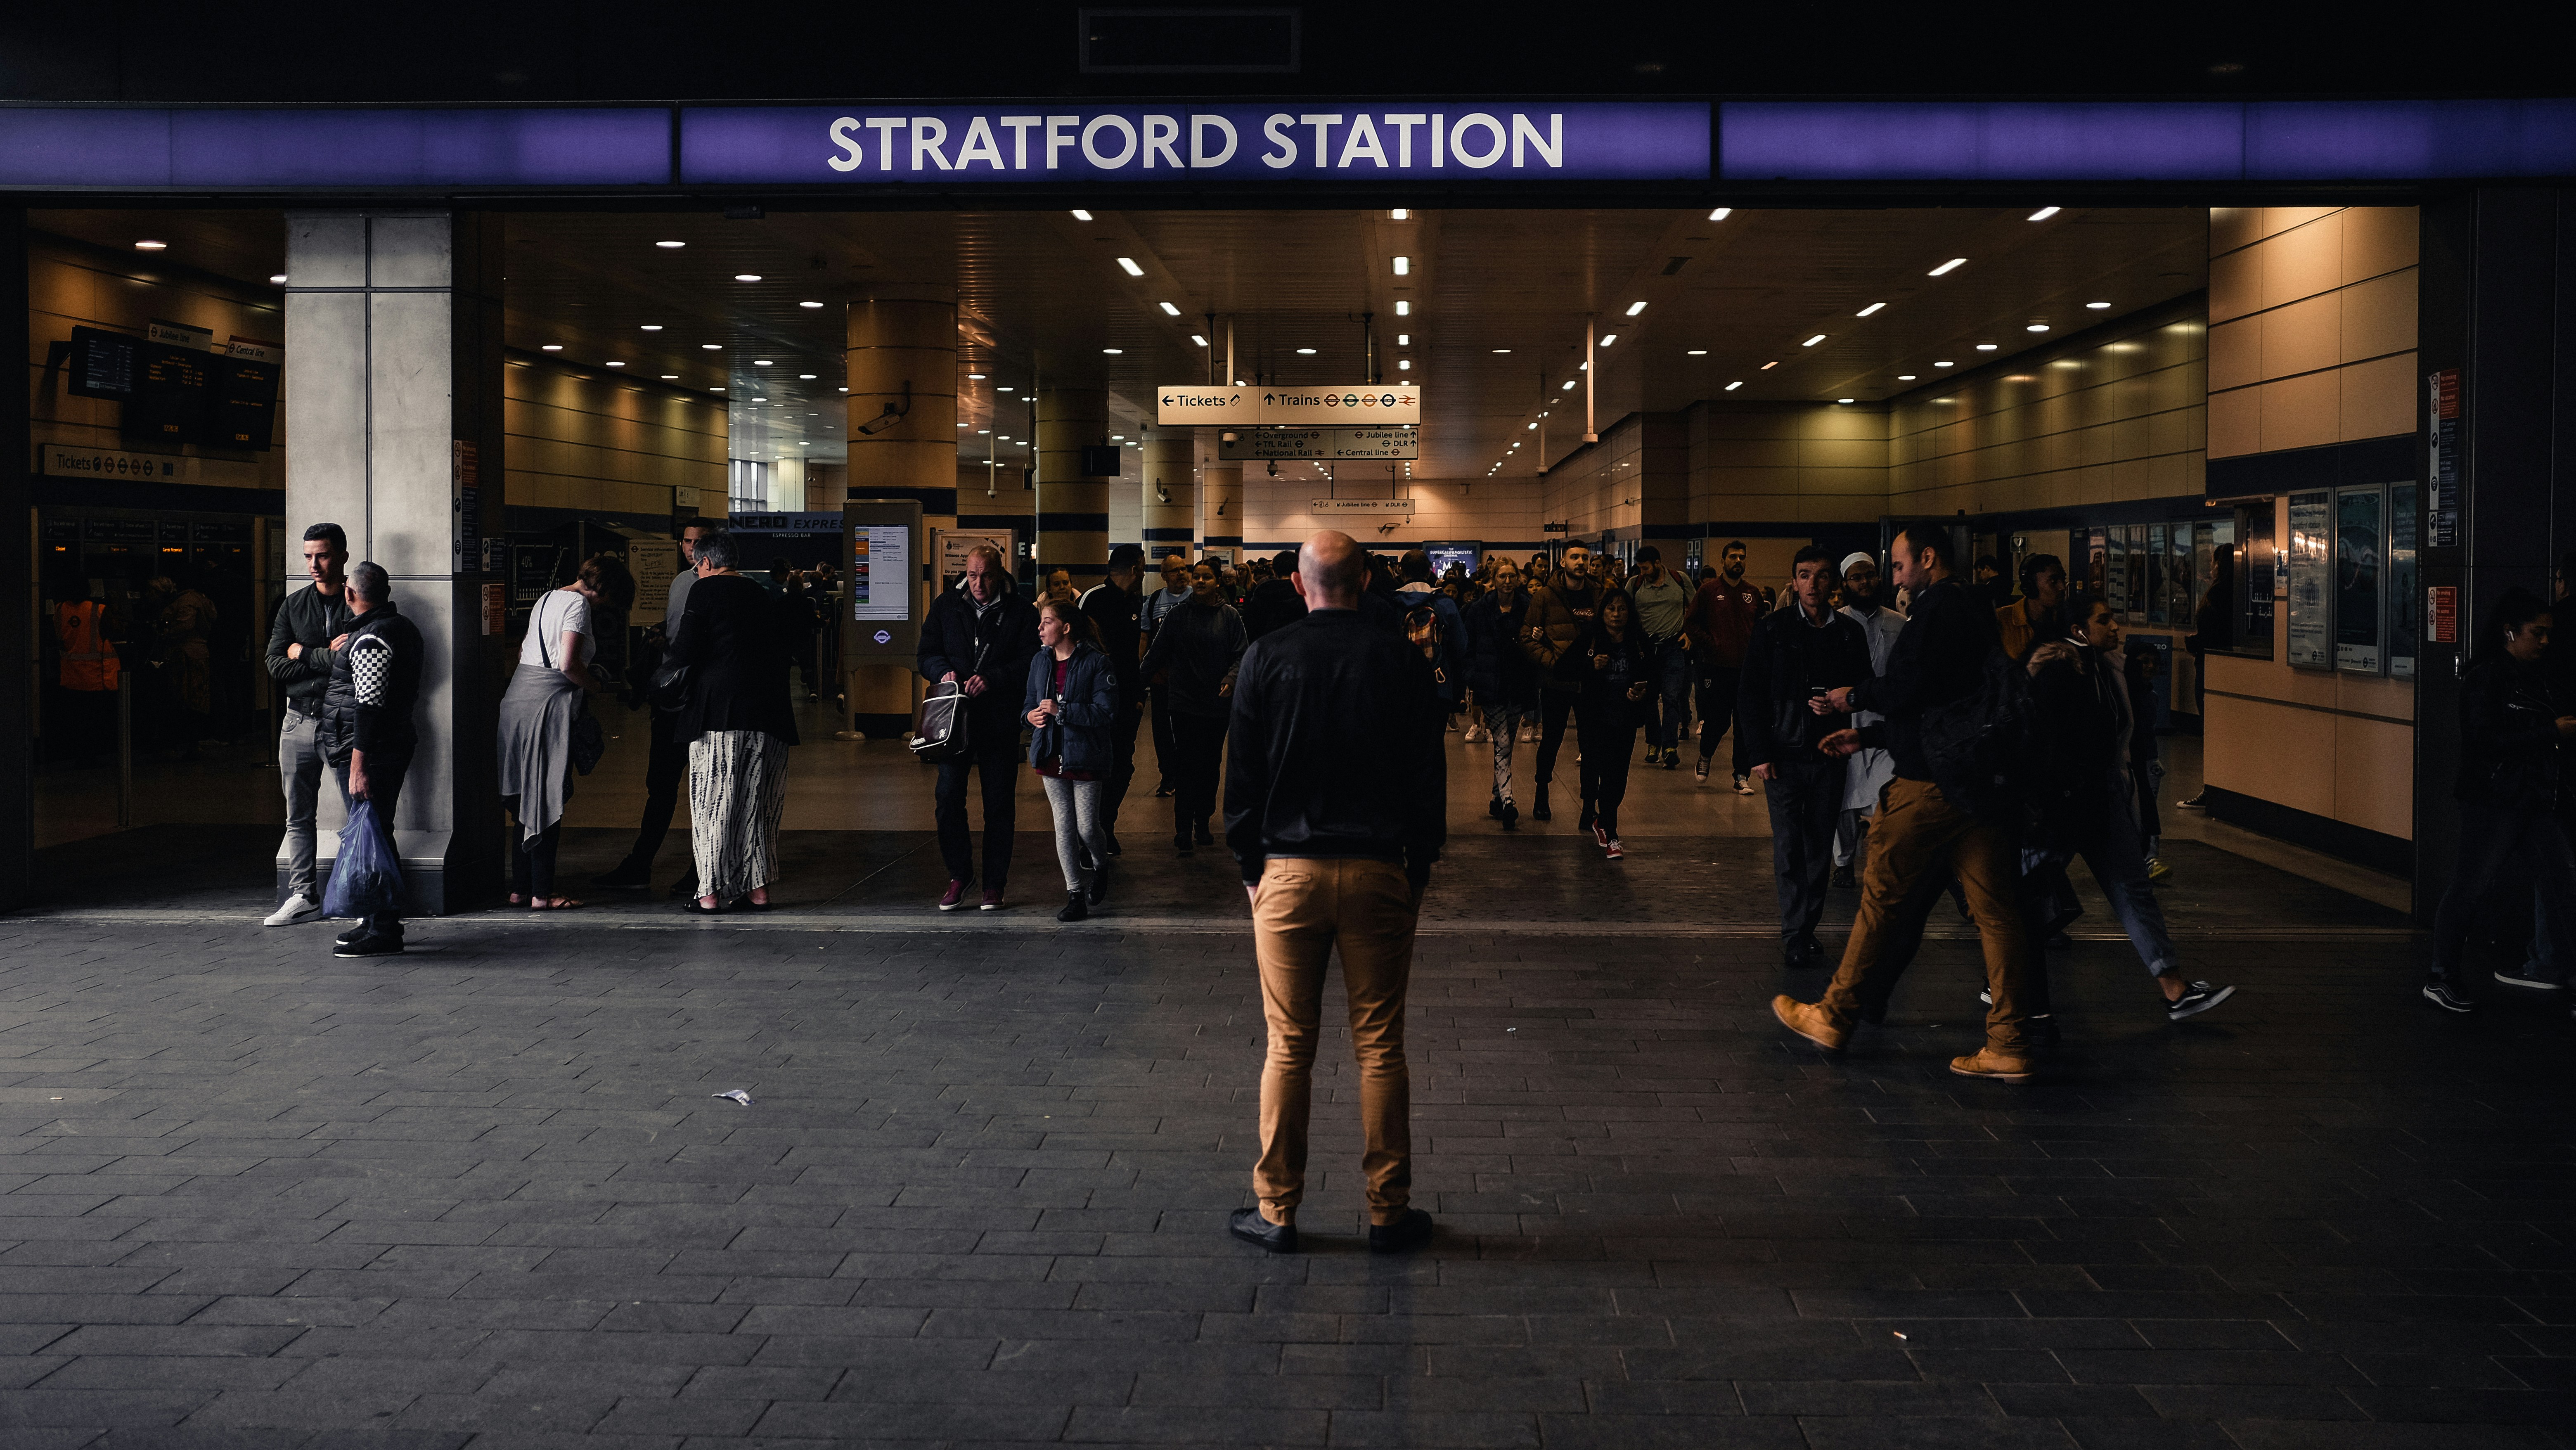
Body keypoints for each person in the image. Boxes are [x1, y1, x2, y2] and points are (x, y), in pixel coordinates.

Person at [1223, 529, 1444, 1258]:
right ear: (1370, 579)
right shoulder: (1403, 662)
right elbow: (1426, 781)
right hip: (1380, 869)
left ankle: (1277, 1210)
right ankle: (1389, 1210)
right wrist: (1417, 869)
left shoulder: (1265, 657)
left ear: (1298, 583)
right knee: (1380, 1045)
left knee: (1288, 1047)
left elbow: (1244, 783)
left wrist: (1252, 868)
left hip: (1287, 873)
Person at [1773, 521, 2042, 1083]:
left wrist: (1856, 698)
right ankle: (2009, 1041)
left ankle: (1835, 1014)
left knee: (1881, 899)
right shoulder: (1976, 613)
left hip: (1928, 785)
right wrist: (1869, 737)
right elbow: (1947, 706)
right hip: (1977, 784)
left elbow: (1906, 691)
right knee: (1996, 914)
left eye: (1898, 566)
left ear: (1926, 559)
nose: (1894, 577)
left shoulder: (1934, 613)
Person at [2024, 593, 2232, 1019]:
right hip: (2066, 804)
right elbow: (2054, 742)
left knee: (2132, 888)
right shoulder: (2060, 671)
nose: (2116, 626)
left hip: (2101, 798)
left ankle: (2174, 987)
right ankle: (2004, 982)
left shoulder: (2103, 667)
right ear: (2079, 628)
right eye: (2105, 619)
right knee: (2028, 896)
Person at [2423, 589, 2575, 1011]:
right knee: (2471, 885)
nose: (2544, 641)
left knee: (2562, 882)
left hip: (2529, 798)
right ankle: (2441, 973)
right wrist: (2551, 732)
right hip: (2495, 800)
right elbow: (2484, 741)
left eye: (2548, 634)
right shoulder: (2488, 677)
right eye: (2537, 633)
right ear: (2511, 631)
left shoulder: (2534, 676)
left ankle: (2446, 974)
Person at [1740, 547, 1872, 967]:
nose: (1813, 585)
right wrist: (1757, 754)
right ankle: (1795, 930)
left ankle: (1806, 925)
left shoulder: (1849, 632)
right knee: (1789, 844)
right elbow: (1750, 695)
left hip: (1829, 754)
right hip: (1782, 755)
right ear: (1793, 581)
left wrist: (1842, 704)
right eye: (1804, 575)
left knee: (1819, 843)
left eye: (1821, 576)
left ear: (1833, 582)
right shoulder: (1773, 630)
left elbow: (1865, 687)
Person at [666, 530, 798, 913]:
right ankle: (757, 891)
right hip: (768, 712)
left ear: (706, 563)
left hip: (718, 712)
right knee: (755, 801)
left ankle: (708, 893)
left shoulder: (703, 591)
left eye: (697, 565)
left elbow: (686, 650)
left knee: (714, 800)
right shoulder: (763, 593)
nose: (697, 570)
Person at [495, 553, 630, 910]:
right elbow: (568, 664)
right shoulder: (578, 605)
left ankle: (520, 889)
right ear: (602, 589)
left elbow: (532, 650)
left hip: (518, 700)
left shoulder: (547, 597)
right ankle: (543, 894)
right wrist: (596, 687)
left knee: (526, 801)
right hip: (547, 705)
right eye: (609, 599)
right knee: (546, 796)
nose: (606, 607)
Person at [919, 543, 1040, 910]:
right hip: (954, 723)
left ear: (1000, 573)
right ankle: (960, 874)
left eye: (986, 576)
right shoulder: (946, 606)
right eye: (972, 576)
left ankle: (994, 884)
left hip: (999, 721)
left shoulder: (1021, 611)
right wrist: (943, 671)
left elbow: (1032, 660)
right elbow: (926, 653)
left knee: (999, 805)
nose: (979, 584)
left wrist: (993, 679)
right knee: (947, 799)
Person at [597, 518, 709, 891]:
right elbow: (679, 627)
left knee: (701, 791)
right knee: (660, 787)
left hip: (697, 704)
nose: (692, 549)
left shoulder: (714, 586)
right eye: (687, 542)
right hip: (669, 703)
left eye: (699, 542)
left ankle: (701, 868)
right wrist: (663, 634)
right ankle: (640, 864)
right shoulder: (681, 583)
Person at [318, 562, 421, 959]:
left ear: (350, 594)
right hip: (387, 745)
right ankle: (376, 920)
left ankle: (385, 929)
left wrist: (358, 764)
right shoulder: (397, 628)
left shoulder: (372, 639)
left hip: (371, 752)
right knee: (375, 831)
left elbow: (369, 704)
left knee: (374, 835)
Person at [262, 523, 353, 927]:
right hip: (298, 718)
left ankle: (358, 891)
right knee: (298, 815)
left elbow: (360, 662)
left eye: (323, 555)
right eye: (308, 556)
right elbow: (275, 662)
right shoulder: (293, 605)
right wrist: (321, 656)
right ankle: (303, 894)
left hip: (343, 721)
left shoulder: (360, 604)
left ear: (343, 556)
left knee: (359, 812)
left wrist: (303, 653)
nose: (314, 565)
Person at [1138, 558, 1248, 854]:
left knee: (1210, 765)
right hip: (1184, 703)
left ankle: (1203, 820)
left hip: (1216, 704)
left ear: (1217, 582)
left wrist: (1231, 678)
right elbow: (1156, 653)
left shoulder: (1230, 617)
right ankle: (1183, 829)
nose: (1199, 582)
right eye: (1196, 577)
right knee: (1186, 764)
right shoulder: (1176, 616)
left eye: (1206, 578)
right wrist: (1135, 688)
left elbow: (1242, 655)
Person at [1025, 598, 1119, 922]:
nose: (1040, 628)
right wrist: (1031, 716)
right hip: (1050, 752)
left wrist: (1062, 711)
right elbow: (1027, 703)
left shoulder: (1097, 663)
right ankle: (1075, 893)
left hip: (1086, 755)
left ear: (1065, 628)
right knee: (1063, 826)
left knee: (1087, 826)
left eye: (1047, 622)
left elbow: (1106, 712)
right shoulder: (1040, 661)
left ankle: (1100, 864)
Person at [1833, 551, 1904, 890]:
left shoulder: (1899, 624)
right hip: (1846, 724)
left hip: (1884, 727)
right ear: (1845, 583)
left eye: (1870, 575)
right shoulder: (1835, 625)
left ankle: (1879, 863)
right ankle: (1844, 863)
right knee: (1843, 804)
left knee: (1885, 800)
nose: (1865, 583)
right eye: (1856, 578)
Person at [1518, 543, 1601, 822]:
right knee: (1551, 741)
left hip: (1589, 683)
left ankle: (1589, 805)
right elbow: (1527, 637)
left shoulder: (1599, 594)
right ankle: (1542, 793)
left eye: (1585, 558)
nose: (1581, 562)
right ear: (1563, 562)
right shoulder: (1545, 596)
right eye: (1575, 557)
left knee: (1590, 745)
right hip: (1556, 683)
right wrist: (1554, 664)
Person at [1077, 543, 1149, 854]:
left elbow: (1131, 658)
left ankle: (1106, 826)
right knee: (1095, 768)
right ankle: (1088, 833)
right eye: (1144, 567)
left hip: (1125, 703)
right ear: (1135, 569)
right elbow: (1078, 651)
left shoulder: (1135, 603)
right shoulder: (1094, 600)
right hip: (1094, 705)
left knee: (1123, 767)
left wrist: (1137, 696)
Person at [1574, 589, 1653, 859]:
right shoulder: (1591, 638)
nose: (1617, 615)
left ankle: (1603, 821)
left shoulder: (1639, 641)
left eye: (1622, 609)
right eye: (1611, 609)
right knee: (1603, 773)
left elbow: (1653, 676)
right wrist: (1590, 664)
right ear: (1602, 612)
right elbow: (1564, 668)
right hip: (1596, 718)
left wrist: (1642, 692)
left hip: (1625, 719)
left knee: (1618, 778)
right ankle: (1612, 833)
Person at [1466, 559, 1540, 829]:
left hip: (1518, 684)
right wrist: (1472, 676)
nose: (1507, 581)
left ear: (1518, 579)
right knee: (1504, 743)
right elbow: (1469, 646)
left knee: (1503, 744)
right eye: (1502, 576)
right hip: (1491, 685)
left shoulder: (1529, 607)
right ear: (1493, 579)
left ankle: (1497, 798)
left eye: (1511, 576)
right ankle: (1509, 801)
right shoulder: (1478, 610)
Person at [1686, 539, 1764, 793]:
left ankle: (1741, 775)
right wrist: (1711, 645)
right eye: (1733, 557)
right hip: (1717, 668)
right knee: (1718, 722)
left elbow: (1761, 630)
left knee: (1744, 723)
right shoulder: (1709, 592)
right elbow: (1691, 624)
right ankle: (1706, 755)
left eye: (1742, 557)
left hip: (1747, 671)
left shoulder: (1753, 593)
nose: (1738, 561)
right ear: (1723, 561)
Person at [1630, 546, 1693, 769]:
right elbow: (1626, 614)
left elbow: (1695, 610)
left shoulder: (1680, 580)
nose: (1643, 572)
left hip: (1673, 647)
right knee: (1649, 699)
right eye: (1640, 569)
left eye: (1646, 568)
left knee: (1672, 697)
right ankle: (1653, 744)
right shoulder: (1635, 585)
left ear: (1657, 563)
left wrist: (1689, 633)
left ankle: (1669, 747)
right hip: (1646, 650)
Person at [1394, 550, 1468, 727]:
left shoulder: (1392, 605)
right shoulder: (1445, 604)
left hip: (1400, 688)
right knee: (1434, 746)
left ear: (1400, 571)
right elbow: (1462, 647)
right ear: (1429, 572)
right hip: (1439, 685)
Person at [148, 573, 218, 756]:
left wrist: (165, 634)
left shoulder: (186, 602)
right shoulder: (200, 599)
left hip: (184, 654)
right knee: (196, 698)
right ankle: (192, 742)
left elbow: (185, 626)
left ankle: (186, 742)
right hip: (199, 653)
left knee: (183, 699)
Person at [1143, 552, 1193, 798]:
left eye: (1184, 569)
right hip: (1162, 678)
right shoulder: (1153, 602)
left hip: (1191, 679)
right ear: (1164, 576)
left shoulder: (1197, 597)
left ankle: (1187, 774)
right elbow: (1145, 638)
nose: (1182, 574)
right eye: (1175, 570)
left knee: (1187, 728)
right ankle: (1168, 776)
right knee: (1162, 728)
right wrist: (1142, 671)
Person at [1996, 554, 2068, 662]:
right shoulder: (2002, 620)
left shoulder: (2067, 619)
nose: (2062, 587)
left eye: (2064, 580)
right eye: (2053, 582)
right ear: (2030, 587)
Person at [1241, 549, 1306, 641]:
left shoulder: (1262, 593)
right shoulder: (1306, 595)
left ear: (1274, 572)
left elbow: (1250, 625)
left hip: (1267, 649)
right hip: (1298, 650)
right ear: (1299, 571)